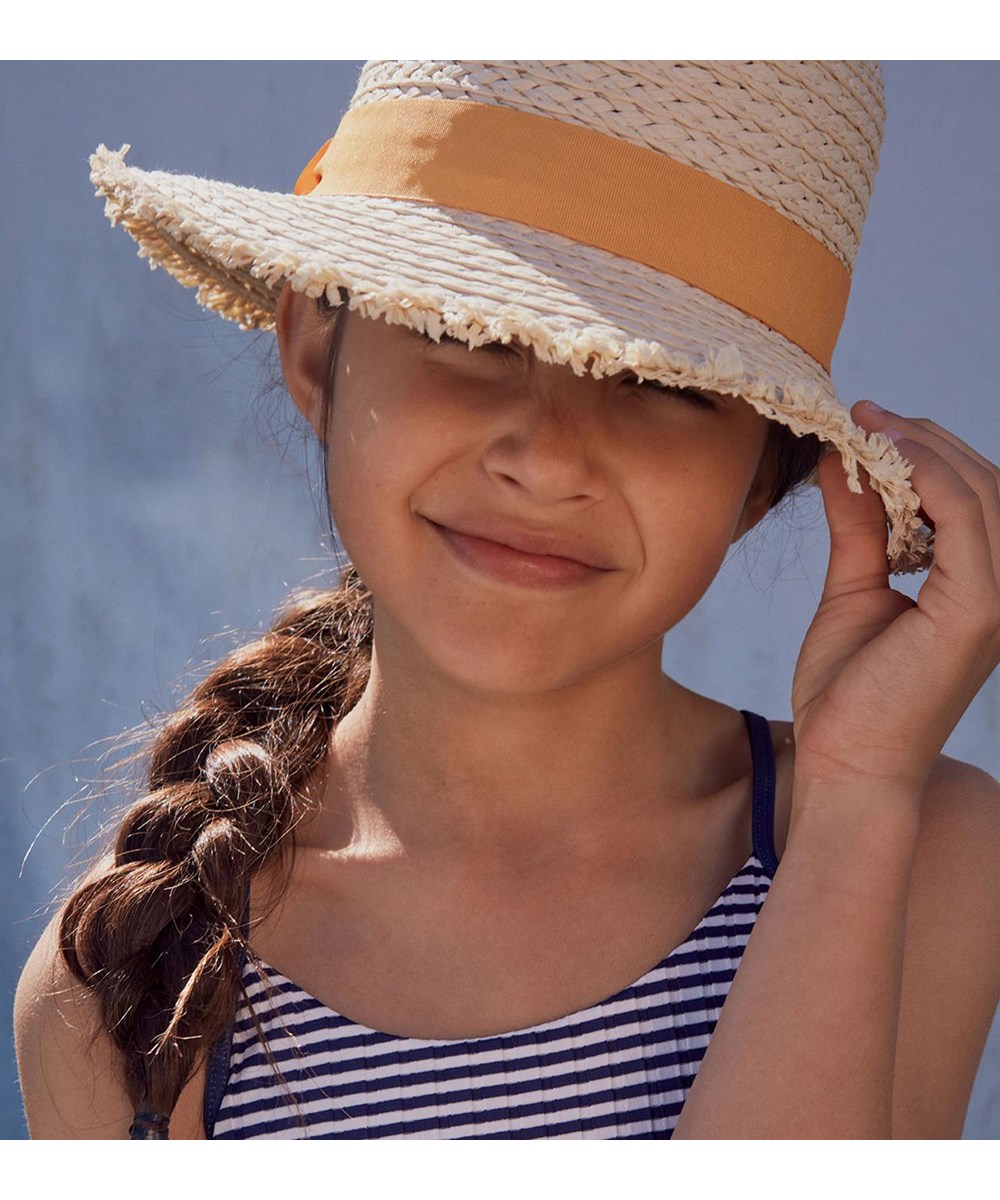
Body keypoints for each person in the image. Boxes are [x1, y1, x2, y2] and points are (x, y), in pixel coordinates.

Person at [14, 60, 1000, 1140]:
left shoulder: (915, 845)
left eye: (667, 382)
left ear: (762, 475)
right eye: (468, 332)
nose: (545, 456)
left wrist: (858, 796)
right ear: (312, 347)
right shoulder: (134, 971)